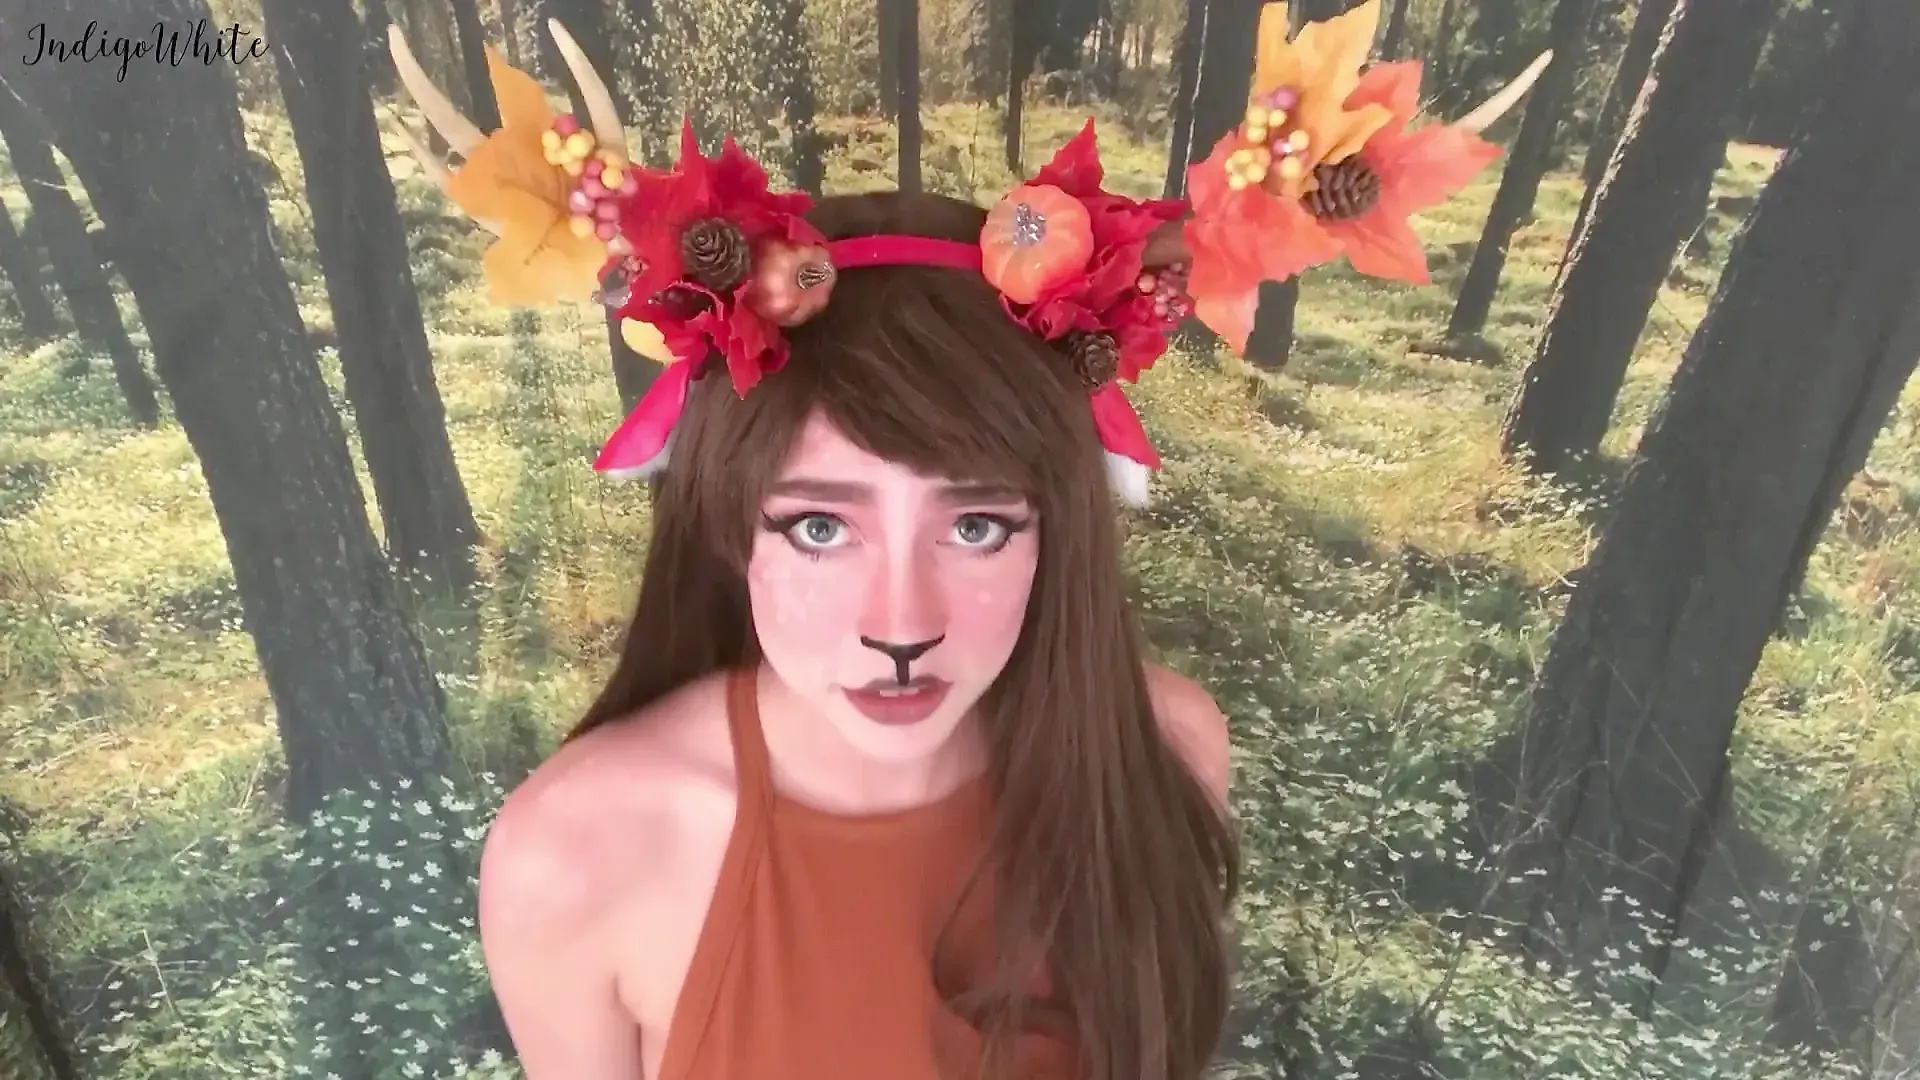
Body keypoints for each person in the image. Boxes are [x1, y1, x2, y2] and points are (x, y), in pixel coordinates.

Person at [385, 5, 1540, 1077]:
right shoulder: (576, 855)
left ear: (1059, 527)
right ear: (731, 527)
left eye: (977, 524)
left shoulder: (1168, 751)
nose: (901, 622)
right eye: (822, 525)